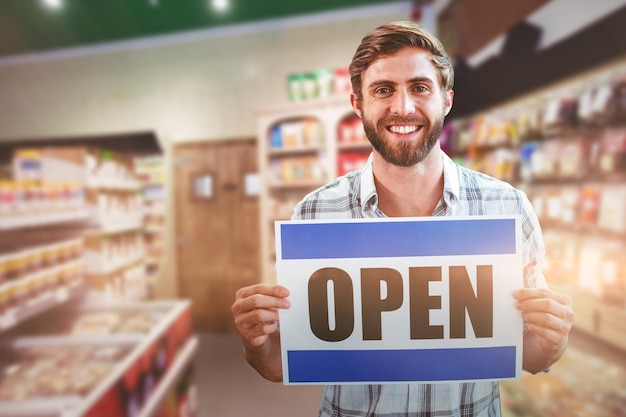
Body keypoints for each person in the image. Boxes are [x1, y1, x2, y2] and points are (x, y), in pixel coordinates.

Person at [231, 21, 574, 417]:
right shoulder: (314, 213)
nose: (403, 107)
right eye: (383, 90)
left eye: (420, 87)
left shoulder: (508, 208)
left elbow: (532, 356)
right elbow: (279, 366)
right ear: (357, 103)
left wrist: (553, 339)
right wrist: (256, 342)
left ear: (446, 99)